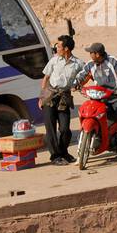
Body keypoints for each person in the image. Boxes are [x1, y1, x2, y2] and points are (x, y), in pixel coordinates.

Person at [77, 42, 117, 160]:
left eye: (91, 52)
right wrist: (76, 83)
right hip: (98, 97)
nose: (90, 54)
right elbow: (81, 75)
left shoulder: (113, 61)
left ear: (97, 54)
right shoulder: (90, 64)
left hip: (114, 97)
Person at [40, 34, 83, 166]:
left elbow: (86, 75)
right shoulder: (54, 60)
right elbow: (46, 78)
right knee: (50, 129)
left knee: (65, 129)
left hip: (64, 97)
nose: (56, 48)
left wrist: (79, 85)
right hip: (50, 95)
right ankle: (55, 156)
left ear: (66, 49)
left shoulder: (78, 64)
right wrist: (42, 97)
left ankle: (63, 152)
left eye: (58, 46)